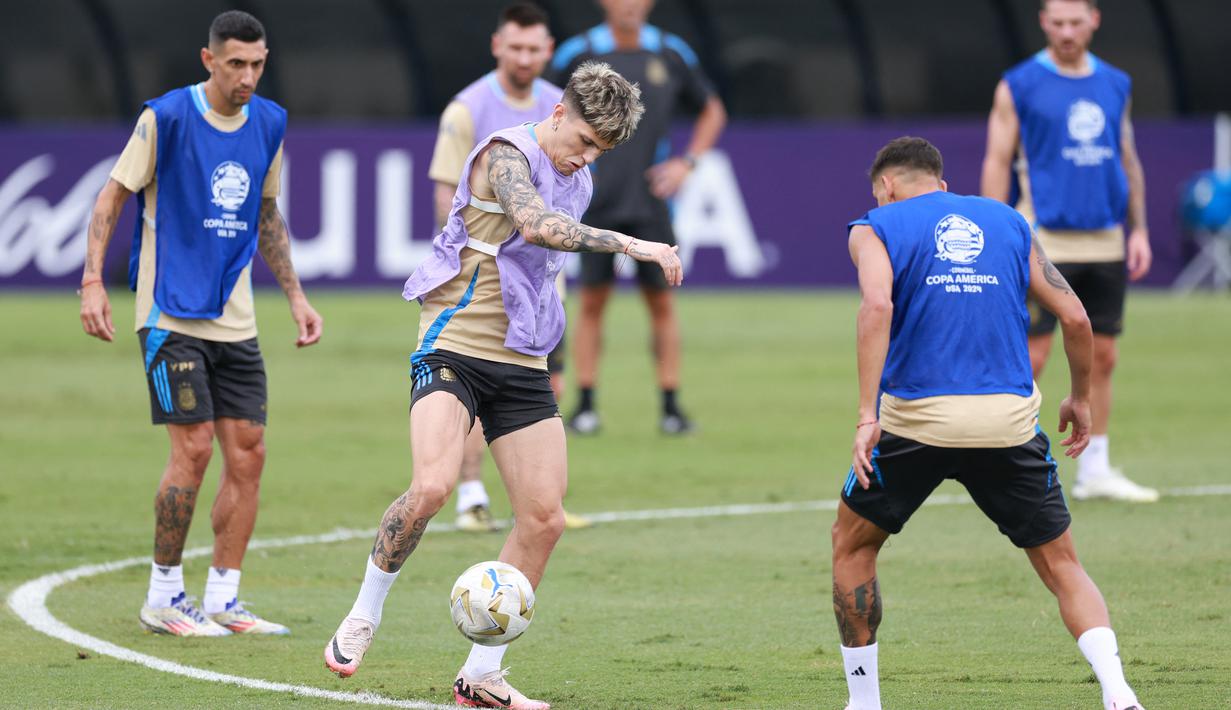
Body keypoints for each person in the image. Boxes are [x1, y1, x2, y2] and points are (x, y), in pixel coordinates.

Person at [324, 63, 670, 709]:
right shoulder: (507, 153)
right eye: (585, 141)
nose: (584, 159)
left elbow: (540, 266)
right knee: (432, 484)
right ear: (561, 112)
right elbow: (535, 225)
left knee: (542, 518)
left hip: (522, 358)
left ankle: (481, 675)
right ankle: (364, 613)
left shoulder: (580, 176)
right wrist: (633, 243)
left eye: (599, 151)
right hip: (453, 344)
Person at [831, 137, 1143, 710]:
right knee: (1062, 564)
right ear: (942, 185)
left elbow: (877, 307)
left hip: (915, 422)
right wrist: (1080, 398)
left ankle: (864, 702)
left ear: (886, 187)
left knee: (852, 547)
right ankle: (1118, 690)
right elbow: (1074, 315)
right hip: (1008, 423)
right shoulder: (1008, 221)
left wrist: (865, 416)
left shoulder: (873, 225)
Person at [78, 11, 322, 637]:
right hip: (168, 314)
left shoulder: (269, 123)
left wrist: (295, 297)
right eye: (236, 64)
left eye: (258, 64)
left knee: (250, 456)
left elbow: (267, 215)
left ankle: (224, 598)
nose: (248, 76)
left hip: (235, 322)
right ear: (208, 60)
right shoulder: (166, 117)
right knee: (193, 449)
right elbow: (111, 198)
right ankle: (163, 595)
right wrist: (91, 283)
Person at [981, 0, 1156, 502]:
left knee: (1103, 358)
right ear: (1043, 23)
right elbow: (998, 159)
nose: (1066, 32)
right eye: (1056, 23)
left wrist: (1138, 229)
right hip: (1043, 239)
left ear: (1094, 21)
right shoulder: (1018, 83)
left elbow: (1127, 156)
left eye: (1075, 22)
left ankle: (1094, 469)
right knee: (1030, 354)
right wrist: (996, 230)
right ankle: (1005, 461)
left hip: (1106, 240)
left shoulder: (1116, 83)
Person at [428, 2, 589, 533]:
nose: (524, 56)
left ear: (548, 50)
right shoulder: (467, 108)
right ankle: (471, 494)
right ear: (498, 46)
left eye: (534, 48)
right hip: (483, 278)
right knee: (476, 383)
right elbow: (447, 193)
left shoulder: (560, 108)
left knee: (546, 378)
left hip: (541, 281)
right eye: (515, 46)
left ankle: (540, 496)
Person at [550, 0, 726, 435]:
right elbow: (543, 111)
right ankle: (586, 405)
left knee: (662, 302)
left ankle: (670, 406)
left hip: (651, 202)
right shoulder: (577, 53)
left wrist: (687, 162)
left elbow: (712, 109)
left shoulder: (670, 52)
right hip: (592, 202)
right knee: (591, 302)